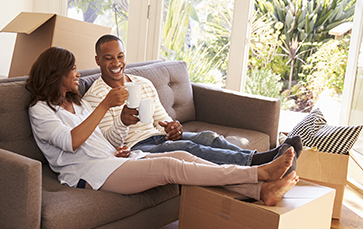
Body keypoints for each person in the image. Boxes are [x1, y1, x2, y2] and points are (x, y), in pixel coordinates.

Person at [25, 46, 299, 206]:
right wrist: (106, 106)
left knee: (183, 155)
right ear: (55, 74)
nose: (77, 73)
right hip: (88, 174)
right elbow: (71, 141)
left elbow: (99, 138)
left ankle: (261, 191)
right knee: (171, 166)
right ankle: (257, 173)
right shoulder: (40, 111)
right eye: (72, 69)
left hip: (112, 159)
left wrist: (121, 133)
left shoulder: (77, 103)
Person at [83, 34, 302, 171]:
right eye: (108, 58)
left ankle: (260, 158)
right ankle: (260, 163)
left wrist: (172, 127)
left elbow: (162, 118)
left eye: (119, 56)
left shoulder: (142, 83)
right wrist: (122, 121)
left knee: (207, 137)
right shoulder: (95, 96)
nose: (116, 63)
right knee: (189, 147)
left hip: (156, 136)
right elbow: (107, 142)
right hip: (137, 148)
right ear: (97, 61)